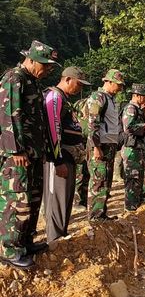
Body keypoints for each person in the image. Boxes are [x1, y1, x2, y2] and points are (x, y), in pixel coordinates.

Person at [0, 40, 60, 268]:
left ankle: (25, 242)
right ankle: (10, 248)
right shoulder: (14, 78)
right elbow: (8, 115)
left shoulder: (32, 82)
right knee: (18, 200)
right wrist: (16, 149)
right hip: (18, 155)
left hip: (34, 154)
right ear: (31, 59)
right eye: (45, 65)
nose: (47, 70)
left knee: (34, 200)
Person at [43, 66, 91, 243]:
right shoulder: (54, 97)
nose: (80, 89)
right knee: (57, 197)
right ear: (67, 79)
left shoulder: (65, 99)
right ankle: (54, 239)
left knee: (66, 198)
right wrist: (58, 160)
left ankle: (61, 234)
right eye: (78, 84)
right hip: (59, 157)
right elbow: (52, 129)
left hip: (68, 156)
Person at [86, 69, 125, 221]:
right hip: (100, 145)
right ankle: (95, 217)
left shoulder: (111, 99)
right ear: (108, 82)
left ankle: (101, 213)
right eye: (118, 85)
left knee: (106, 181)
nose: (120, 88)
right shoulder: (98, 97)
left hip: (110, 145)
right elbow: (92, 123)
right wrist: (96, 146)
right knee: (98, 180)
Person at [121, 84, 145, 211]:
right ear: (137, 95)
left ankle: (136, 203)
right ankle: (130, 206)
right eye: (143, 96)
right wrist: (143, 126)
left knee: (138, 177)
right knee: (132, 178)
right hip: (131, 149)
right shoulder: (131, 108)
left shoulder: (138, 109)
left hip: (138, 148)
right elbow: (128, 127)